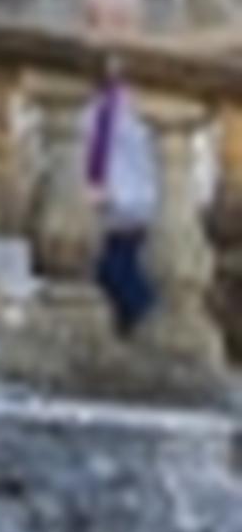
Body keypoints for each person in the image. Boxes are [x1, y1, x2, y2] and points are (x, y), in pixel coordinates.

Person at [84, 56, 163, 338]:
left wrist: (115, 198)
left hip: (135, 233)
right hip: (92, 233)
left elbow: (156, 177)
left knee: (144, 317)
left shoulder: (144, 108)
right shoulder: (91, 105)